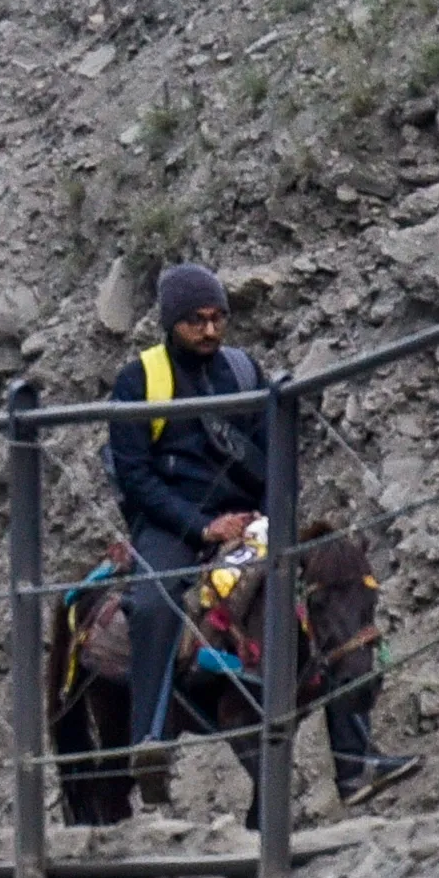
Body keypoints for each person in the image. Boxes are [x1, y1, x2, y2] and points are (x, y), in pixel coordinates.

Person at [101, 264, 268, 817]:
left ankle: (352, 756)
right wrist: (200, 528)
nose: (210, 330)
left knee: (325, 585)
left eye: (218, 317)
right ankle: (150, 741)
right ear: (172, 321)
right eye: (197, 320)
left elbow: (275, 452)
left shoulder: (244, 372)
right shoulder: (139, 380)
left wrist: (258, 517)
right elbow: (136, 477)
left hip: (247, 519)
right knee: (152, 604)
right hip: (174, 523)